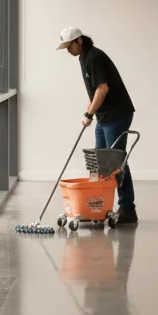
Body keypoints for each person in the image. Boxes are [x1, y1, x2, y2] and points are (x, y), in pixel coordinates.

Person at [58, 27, 138, 225]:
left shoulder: (94, 57)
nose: (68, 50)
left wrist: (89, 114)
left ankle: (128, 209)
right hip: (104, 117)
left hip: (116, 114)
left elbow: (103, 88)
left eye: (69, 46)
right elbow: (93, 92)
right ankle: (98, 207)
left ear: (80, 41)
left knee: (115, 164)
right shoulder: (83, 58)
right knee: (99, 162)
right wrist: (89, 113)